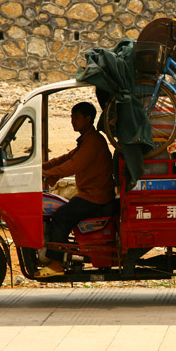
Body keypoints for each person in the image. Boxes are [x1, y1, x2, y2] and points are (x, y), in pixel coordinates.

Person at [37, 102, 115, 277]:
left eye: (76, 117)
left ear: (88, 119)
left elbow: (73, 165)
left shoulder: (93, 141)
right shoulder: (87, 140)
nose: (72, 121)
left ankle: (56, 263)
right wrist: (40, 167)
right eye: (72, 117)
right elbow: (66, 158)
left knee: (60, 217)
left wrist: (47, 172)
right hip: (91, 194)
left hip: (95, 197)